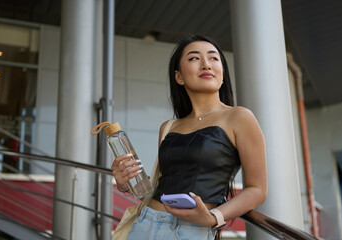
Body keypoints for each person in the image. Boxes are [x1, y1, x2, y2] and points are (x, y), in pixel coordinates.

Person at [111, 35, 267, 240]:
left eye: (214, 58)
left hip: (191, 232)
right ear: (179, 77)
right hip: (144, 224)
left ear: (222, 73)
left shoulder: (239, 117)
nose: (206, 65)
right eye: (194, 59)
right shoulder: (168, 127)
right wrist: (124, 182)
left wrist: (214, 217)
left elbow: (257, 189)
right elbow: (160, 185)